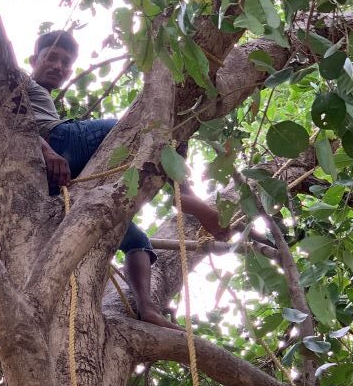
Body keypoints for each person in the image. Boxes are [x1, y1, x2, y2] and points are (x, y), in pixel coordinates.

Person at [25, 30, 225, 327]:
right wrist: (48, 151)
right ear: (34, 60)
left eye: (66, 63)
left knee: (138, 241)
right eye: (51, 57)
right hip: (58, 140)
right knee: (142, 126)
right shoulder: (16, 80)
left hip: (60, 178)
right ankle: (185, 192)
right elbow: (13, 122)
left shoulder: (41, 95)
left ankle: (147, 308)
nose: (58, 66)